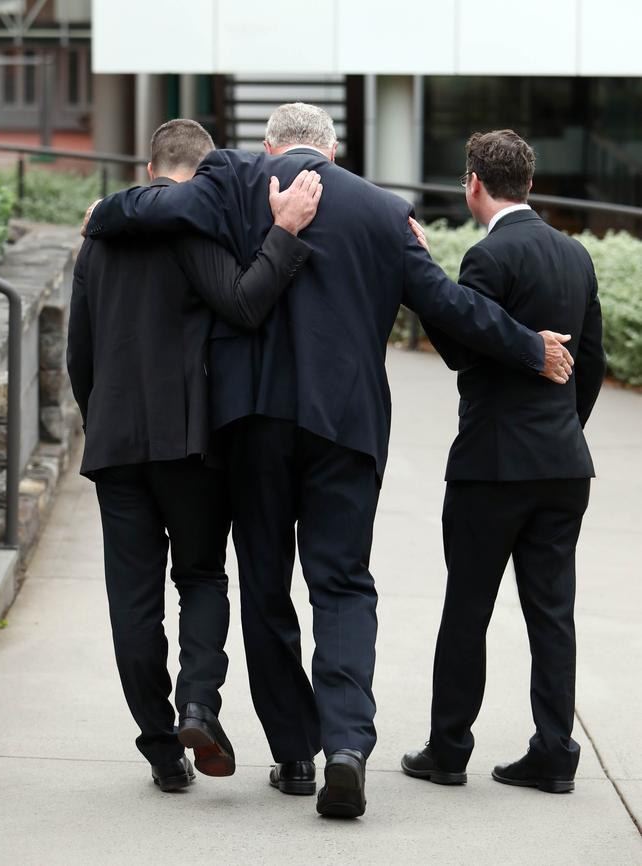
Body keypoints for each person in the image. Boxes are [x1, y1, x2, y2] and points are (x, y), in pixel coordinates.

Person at [83, 104, 574, 818]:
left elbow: (149, 207)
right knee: (342, 584)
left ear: (271, 145)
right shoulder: (380, 210)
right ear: (334, 152)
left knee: (265, 587)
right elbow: (445, 305)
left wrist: (103, 210)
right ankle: (347, 745)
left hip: (252, 425)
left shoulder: (234, 177)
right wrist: (532, 348)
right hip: (345, 423)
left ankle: (293, 756)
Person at [67, 118, 322, 793]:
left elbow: (78, 354)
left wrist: (102, 425)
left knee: (132, 600)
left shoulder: (97, 240)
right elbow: (243, 305)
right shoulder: (193, 231)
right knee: (202, 576)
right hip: (189, 443)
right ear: (203, 171)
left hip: (116, 444)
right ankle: (198, 702)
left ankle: (161, 751)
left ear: (149, 166)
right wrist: (284, 238)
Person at [401, 129, 606, 794]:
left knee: (468, 608)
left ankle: (449, 750)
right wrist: (563, 432)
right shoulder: (575, 255)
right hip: (563, 465)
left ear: (473, 184)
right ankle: (554, 752)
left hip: (492, 465)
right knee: (553, 613)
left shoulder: (490, 257)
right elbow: (592, 365)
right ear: (530, 183)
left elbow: (462, 350)